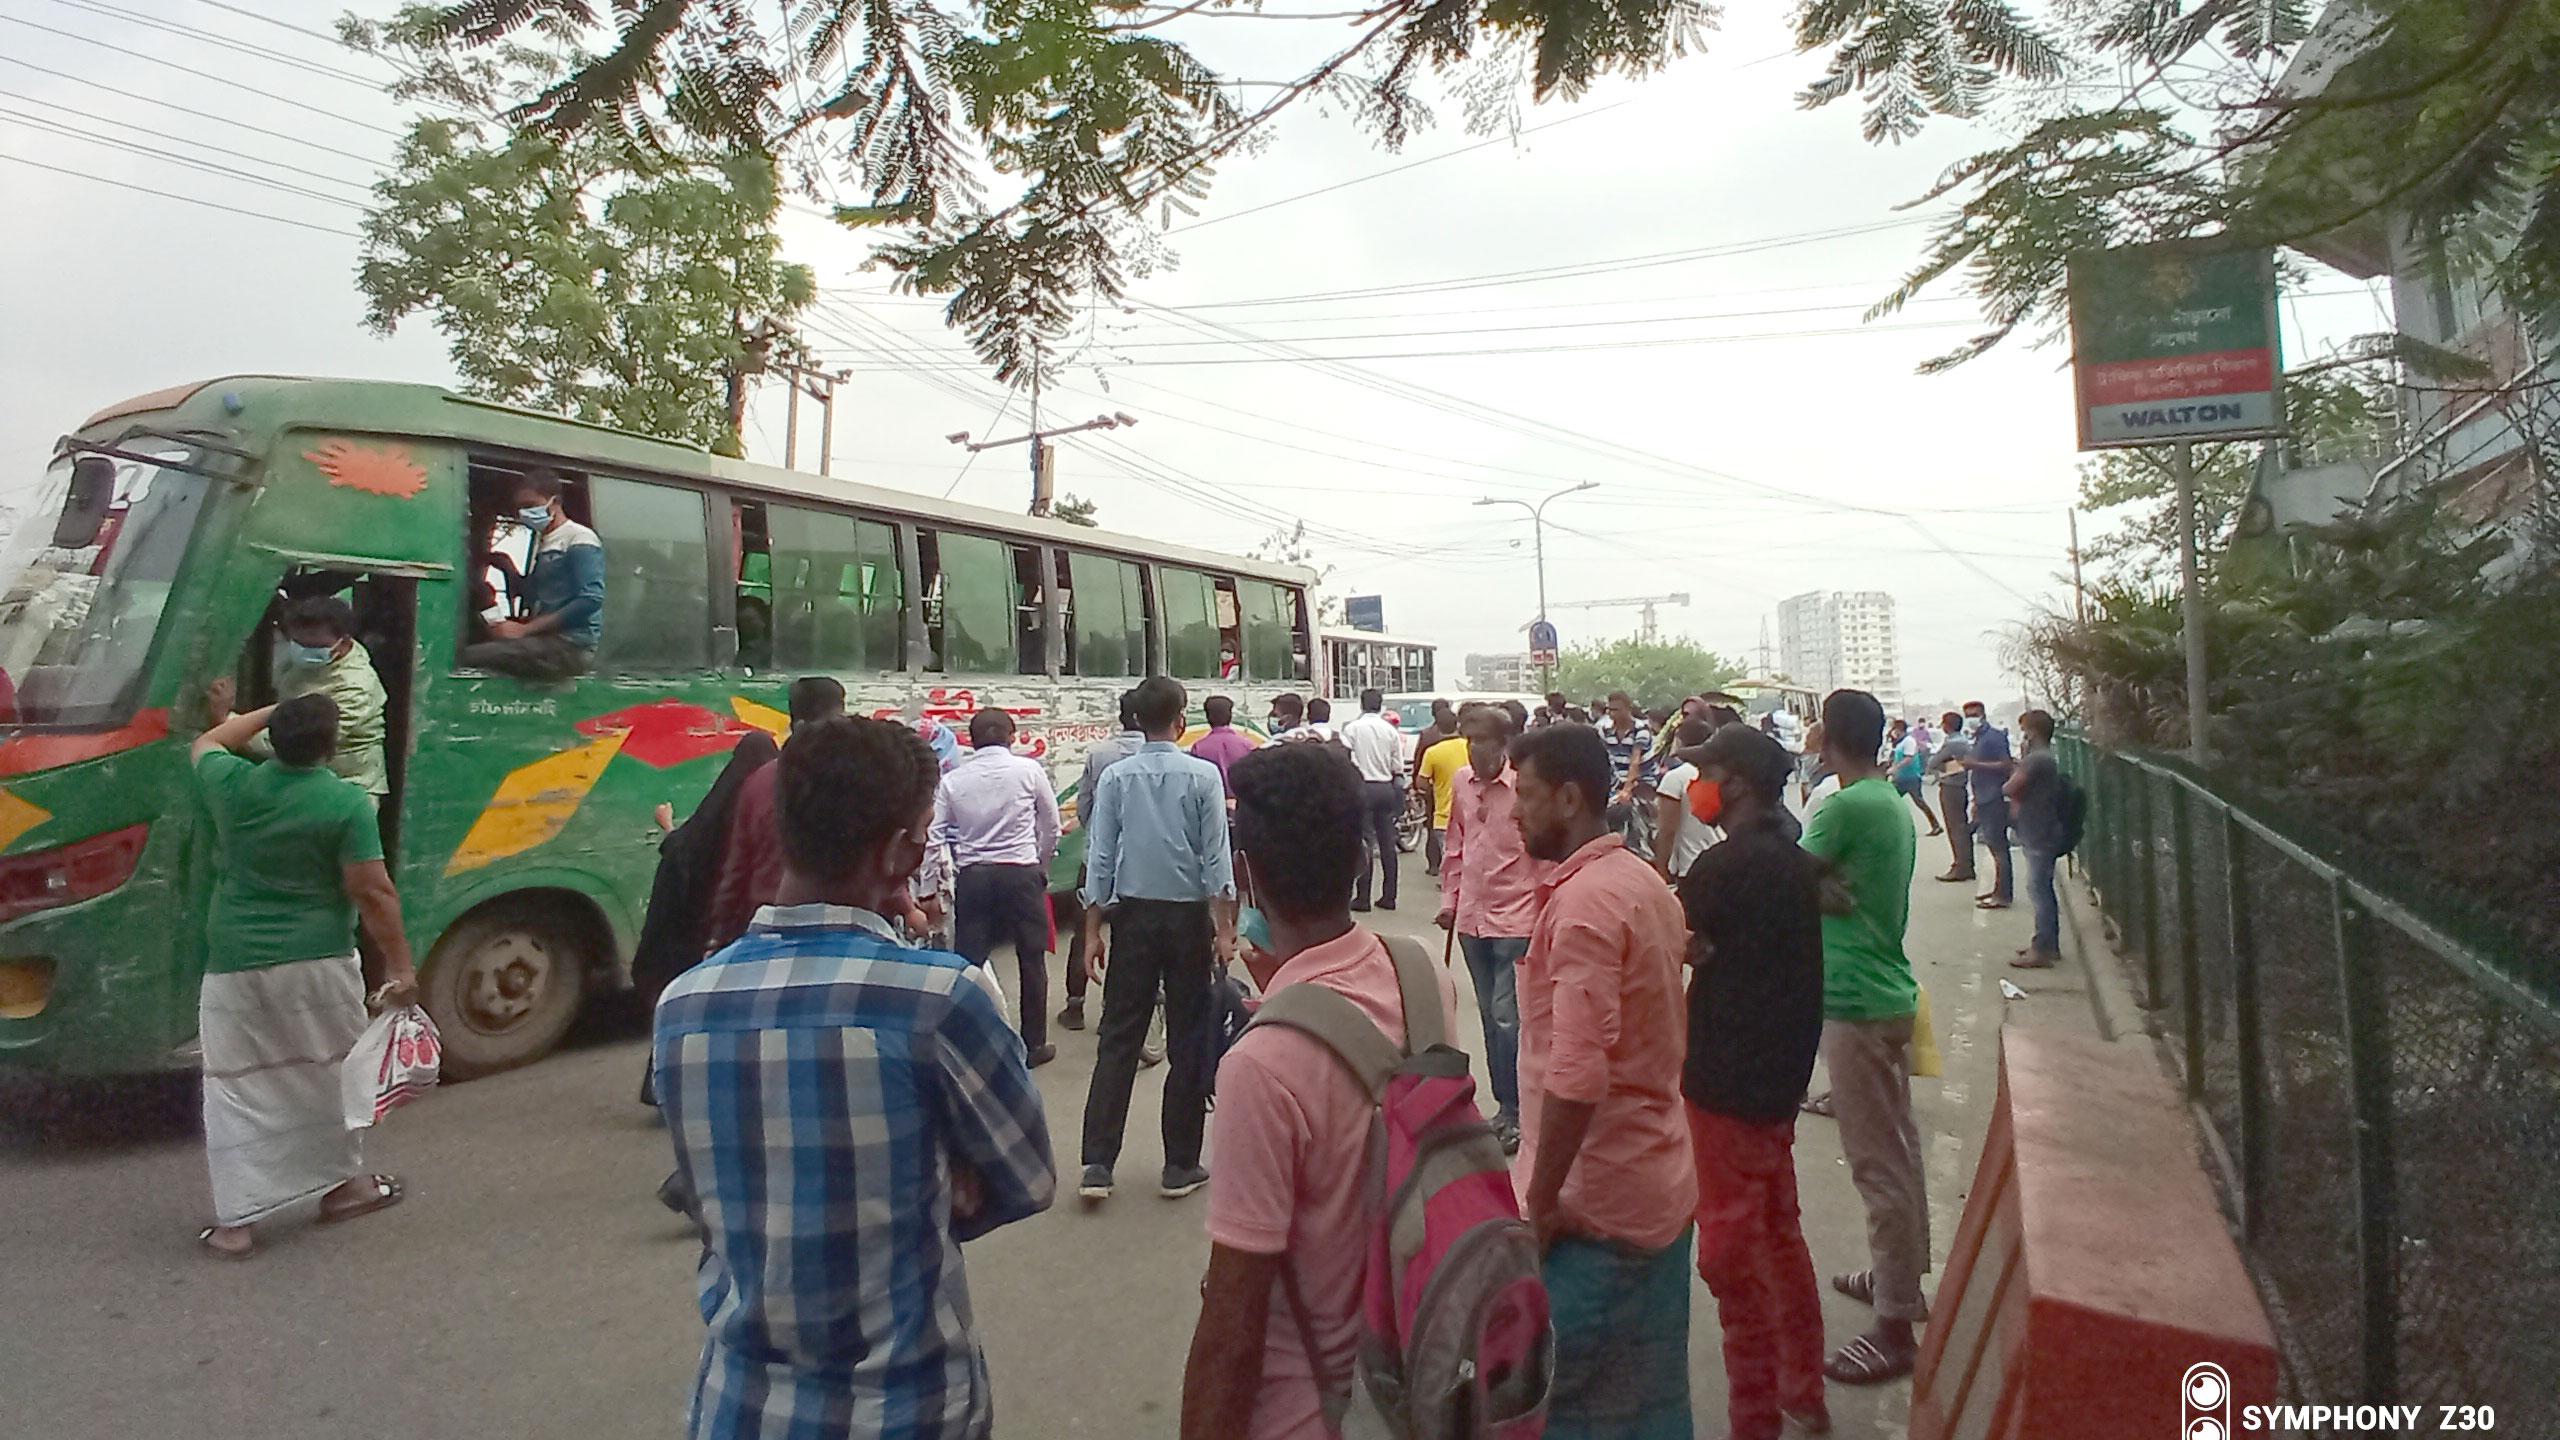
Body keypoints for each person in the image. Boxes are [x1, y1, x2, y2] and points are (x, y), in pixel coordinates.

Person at [653, 716, 1055, 1440]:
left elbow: (710, 1198)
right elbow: (1025, 1180)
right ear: (902, 850)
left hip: (736, 1405)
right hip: (907, 1405)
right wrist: (932, 1181)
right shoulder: (937, 999)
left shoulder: (682, 1006)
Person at [1180, 741, 1461, 1440]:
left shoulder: (1262, 1064)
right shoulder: (1423, 974)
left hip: (1314, 1411)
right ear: (1362, 857)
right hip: (1427, 1369)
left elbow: (1234, 1318)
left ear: (1245, 875)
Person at [1507, 723, 1698, 1439]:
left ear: (1568, 797)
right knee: (1651, 1403)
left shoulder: (1587, 902)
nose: (1514, 812)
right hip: (1652, 1187)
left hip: (1597, 1210)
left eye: (1525, 796)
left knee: (1578, 1413)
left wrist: (1542, 1202)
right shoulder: (1638, 881)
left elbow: (1579, 1071)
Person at [192, 684, 418, 1259]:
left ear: (275, 735)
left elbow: (210, 739)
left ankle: (235, 1224)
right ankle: (348, 1187)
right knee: (327, 1078)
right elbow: (373, 893)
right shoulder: (345, 804)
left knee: (236, 1086)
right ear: (332, 744)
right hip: (316, 962)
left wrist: (275, 710)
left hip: (233, 960)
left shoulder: (231, 783)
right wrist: (401, 965)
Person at [1677, 724, 1831, 1440]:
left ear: (1733, 782)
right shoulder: (1792, 863)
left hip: (1726, 1085)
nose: (1696, 787)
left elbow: (1683, 942)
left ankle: (1754, 1417)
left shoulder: (1723, 871)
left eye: (1704, 772)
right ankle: (1803, 1386)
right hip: (1779, 1081)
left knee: (1730, 1260)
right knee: (1778, 1235)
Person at [1799, 689, 1927, 1386]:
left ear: (1829, 738)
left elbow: (1790, 873)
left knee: (1877, 1164)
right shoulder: (1887, 799)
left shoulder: (1846, 804)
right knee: (1897, 1154)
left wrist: (1815, 889)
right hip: (1880, 989)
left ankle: (1895, 1325)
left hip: (1856, 996)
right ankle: (1895, 1280)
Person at [1077, 675, 1236, 1203]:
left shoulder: (1117, 778)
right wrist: (1226, 927)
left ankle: (1097, 1164)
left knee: (1118, 1037)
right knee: (1189, 1040)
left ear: (1136, 720)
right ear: (1180, 719)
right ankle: (1179, 1164)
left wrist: (1092, 928)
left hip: (1134, 919)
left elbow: (1100, 855)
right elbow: (1216, 856)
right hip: (1188, 918)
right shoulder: (1203, 775)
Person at [633, 732, 780, 1105]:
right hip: (733, 925)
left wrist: (667, 826)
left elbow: (684, 851)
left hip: (697, 928)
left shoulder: (720, 803)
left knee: (688, 1008)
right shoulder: (760, 804)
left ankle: (665, 1084)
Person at [1435, 706, 1546, 1153]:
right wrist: (1449, 899)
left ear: (1506, 743)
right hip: (1471, 918)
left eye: (1486, 741)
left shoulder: (1526, 786)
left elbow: (1542, 853)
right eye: (1470, 740)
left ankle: (1518, 1110)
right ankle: (1504, 1105)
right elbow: (1456, 844)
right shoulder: (1463, 782)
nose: (1477, 750)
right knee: (1488, 1016)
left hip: (1517, 917)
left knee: (1508, 1018)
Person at [937, 709, 1065, 1065]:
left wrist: (943, 876)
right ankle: (1034, 1044)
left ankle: (967, 1040)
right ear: (1012, 735)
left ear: (970, 739)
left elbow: (935, 833)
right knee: (1032, 958)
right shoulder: (1029, 771)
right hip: (1021, 873)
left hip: (974, 875)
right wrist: (1041, 865)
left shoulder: (954, 781)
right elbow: (1051, 825)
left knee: (970, 961)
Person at [705, 677, 848, 952]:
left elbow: (737, 868)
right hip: (831, 934)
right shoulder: (847, 781)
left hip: (764, 931)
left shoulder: (759, 781)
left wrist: (720, 937)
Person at [214, 596, 390, 802]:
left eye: (316, 645)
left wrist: (225, 722)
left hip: (347, 789)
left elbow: (297, 744)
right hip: (299, 781)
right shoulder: (308, 659)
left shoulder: (356, 687)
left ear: (344, 643)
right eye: (299, 643)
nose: (305, 651)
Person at [459, 469, 605, 680]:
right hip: (546, 641)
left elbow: (590, 599)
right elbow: (533, 591)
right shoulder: (545, 541)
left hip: (570, 646)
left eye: (530, 505)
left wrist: (523, 631)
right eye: (520, 508)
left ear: (554, 501)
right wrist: (505, 568)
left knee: (469, 656)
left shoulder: (579, 538)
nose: (524, 513)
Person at [1061, 691, 1146, 1034]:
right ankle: (1113, 1009)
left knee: (1085, 931)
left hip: (1097, 858)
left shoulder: (1099, 754)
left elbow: (1084, 806)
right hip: (1140, 863)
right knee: (1127, 935)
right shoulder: (1163, 757)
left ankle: (1075, 1006)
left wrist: (1095, 831)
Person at [2007, 709, 2064, 969]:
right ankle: (2046, 943)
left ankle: (2042, 948)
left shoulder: (2036, 760)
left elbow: (2010, 787)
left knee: (2039, 889)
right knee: (2042, 888)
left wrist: (2020, 760)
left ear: (2032, 732)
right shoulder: (2046, 758)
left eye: (2025, 730)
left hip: (2038, 830)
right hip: (2043, 828)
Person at [1339, 688, 1405, 913]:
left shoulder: (1352, 729)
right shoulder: (1390, 731)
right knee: (1388, 842)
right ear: (1381, 705)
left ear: (1361, 704)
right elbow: (1398, 764)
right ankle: (1390, 895)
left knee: (1364, 841)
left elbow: (1348, 760)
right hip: (1385, 787)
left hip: (1362, 786)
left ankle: (1363, 897)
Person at [1652, 716, 1721, 884]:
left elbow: (1667, 830)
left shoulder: (1675, 778)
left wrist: (1661, 870)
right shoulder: (1722, 774)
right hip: (1719, 860)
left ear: (1679, 741)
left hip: (1690, 866)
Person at [1959, 701, 2015, 910]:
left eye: (1973, 714)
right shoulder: (1978, 738)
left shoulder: (1994, 737)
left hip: (1994, 797)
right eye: (1967, 715)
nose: (1970, 718)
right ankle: (1998, 890)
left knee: (1998, 847)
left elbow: (2006, 764)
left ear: (1982, 714)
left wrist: (1975, 765)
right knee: (1993, 846)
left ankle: (2003, 895)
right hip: (1983, 797)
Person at [1599, 691, 1658, 861]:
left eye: (1616, 710)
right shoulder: (1605, 730)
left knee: (1642, 828)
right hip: (1616, 784)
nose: (1612, 714)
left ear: (1628, 708)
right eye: (1609, 710)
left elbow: (1635, 761)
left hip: (1642, 784)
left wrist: (1627, 790)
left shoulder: (1641, 730)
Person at [1412, 715, 1468, 878]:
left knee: (1449, 855)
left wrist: (1434, 790)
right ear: (1457, 725)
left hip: (1444, 814)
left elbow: (1421, 782)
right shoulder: (1470, 747)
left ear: (1438, 728)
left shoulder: (1433, 752)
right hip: (1468, 812)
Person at [1927, 709, 1976, 884]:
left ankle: (1961, 866)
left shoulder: (1953, 744)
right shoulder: (1964, 741)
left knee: (1955, 827)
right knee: (1960, 826)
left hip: (1951, 787)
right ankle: (1966, 864)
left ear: (1947, 726)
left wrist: (1945, 769)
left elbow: (1932, 763)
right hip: (1959, 786)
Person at [1188, 694, 1257, 794]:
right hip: (1243, 802)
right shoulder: (1248, 745)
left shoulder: (1198, 747)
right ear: (1230, 715)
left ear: (1208, 716)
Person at [1887, 718, 1942, 836]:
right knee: (1890, 800)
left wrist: (1895, 768)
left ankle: (1936, 825)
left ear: (1899, 729)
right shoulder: (1900, 742)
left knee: (1919, 802)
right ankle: (1891, 827)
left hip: (1910, 777)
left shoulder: (1909, 741)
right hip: (1900, 778)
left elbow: (1908, 758)